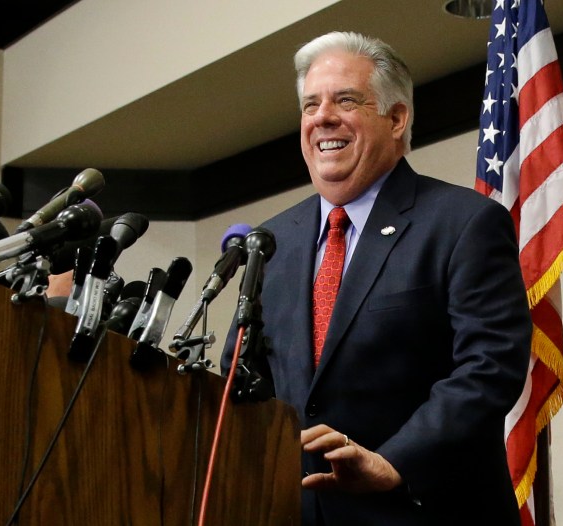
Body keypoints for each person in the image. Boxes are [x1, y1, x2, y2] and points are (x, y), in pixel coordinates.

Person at [221, 31, 532, 525]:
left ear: (396, 118)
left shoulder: (463, 223)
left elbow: (490, 366)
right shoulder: (272, 241)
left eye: (345, 100)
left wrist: (394, 462)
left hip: (425, 511)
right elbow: (243, 377)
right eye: (310, 105)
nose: (322, 117)